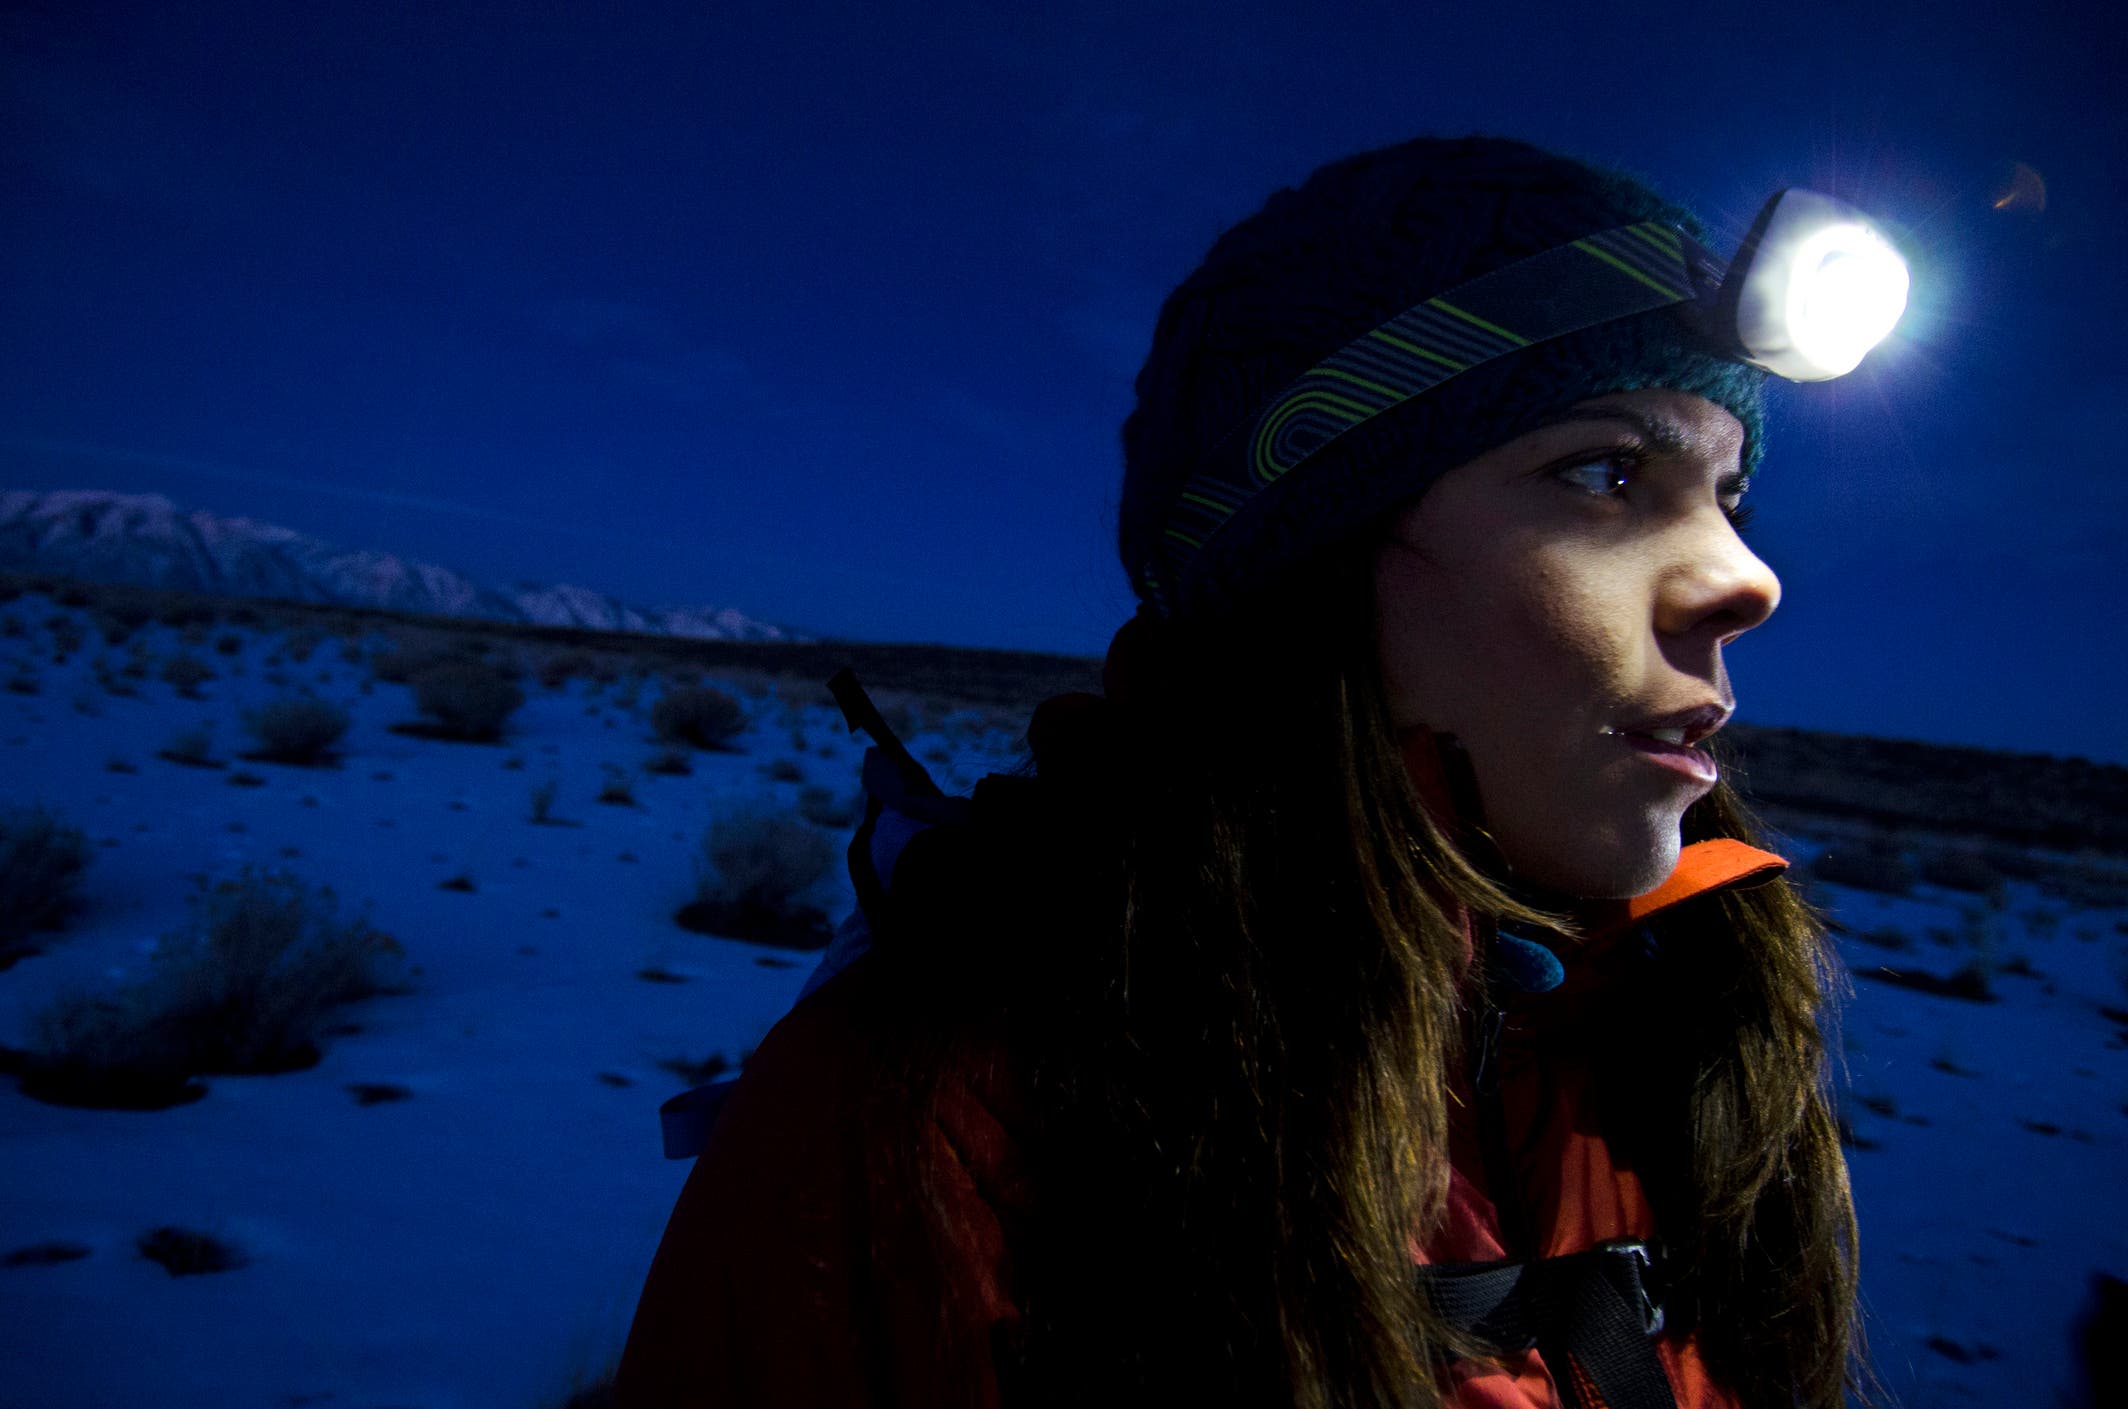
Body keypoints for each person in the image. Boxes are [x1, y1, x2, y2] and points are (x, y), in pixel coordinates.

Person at [613, 134, 1880, 1408]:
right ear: (1308, 568)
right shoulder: (955, 1116)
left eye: (1731, 497)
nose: (1746, 580)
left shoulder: (1676, 1030)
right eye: (1607, 473)